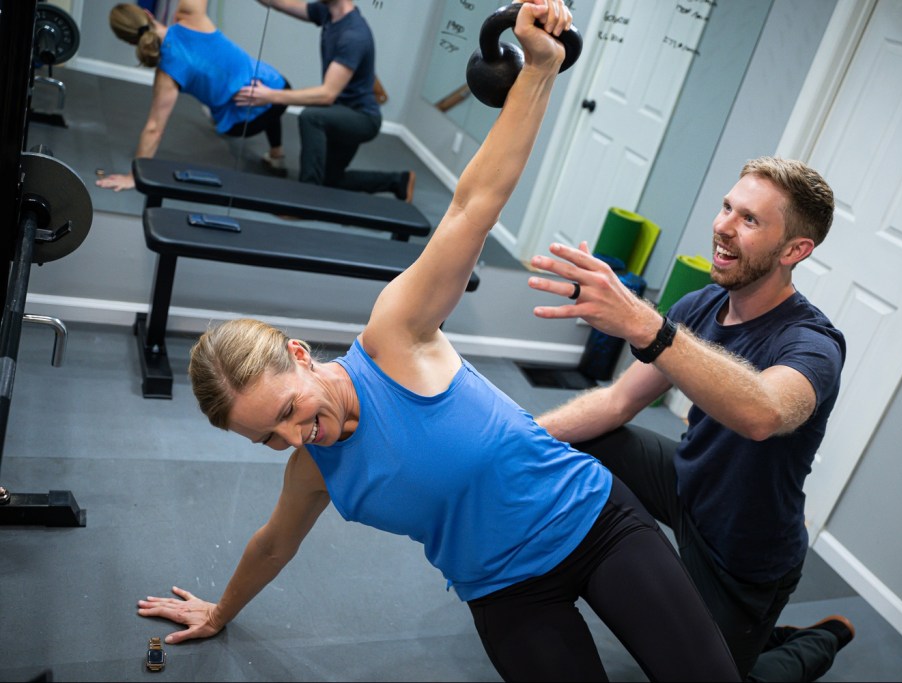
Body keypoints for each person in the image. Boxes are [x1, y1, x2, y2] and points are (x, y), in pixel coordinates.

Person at [135, 3, 738, 681]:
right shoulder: (315, 468)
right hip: (505, 589)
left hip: (593, 523)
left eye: (286, 411)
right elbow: (273, 544)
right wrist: (219, 612)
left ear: (301, 355)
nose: (297, 438)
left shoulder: (395, 332)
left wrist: (540, 70)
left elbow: (473, 204)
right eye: (270, 439)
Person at [526, 157, 851, 681]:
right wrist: (515, 440)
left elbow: (762, 414)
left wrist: (643, 323)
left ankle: (816, 642)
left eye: (750, 220)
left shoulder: (812, 344)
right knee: (596, 439)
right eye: (728, 207)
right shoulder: (702, 304)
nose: (723, 226)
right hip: (687, 484)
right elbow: (616, 403)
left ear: (795, 250)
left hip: (744, 551)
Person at [97, 1, 291, 192]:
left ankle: (269, 148)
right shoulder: (191, 14)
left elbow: (154, 129)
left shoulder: (167, 74)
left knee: (223, 106)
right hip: (280, 89)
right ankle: (277, 152)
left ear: (130, 41)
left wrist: (133, 177)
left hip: (243, 124)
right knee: (253, 85)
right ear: (148, 14)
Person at [237, 0, 416, 203]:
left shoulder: (354, 35)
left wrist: (270, 96)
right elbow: (280, 3)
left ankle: (305, 201)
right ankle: (397, 181)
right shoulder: (327, 13)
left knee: (311, 117)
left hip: (361, 118)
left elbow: (327, 94)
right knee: (331, 180)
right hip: (341, 111)